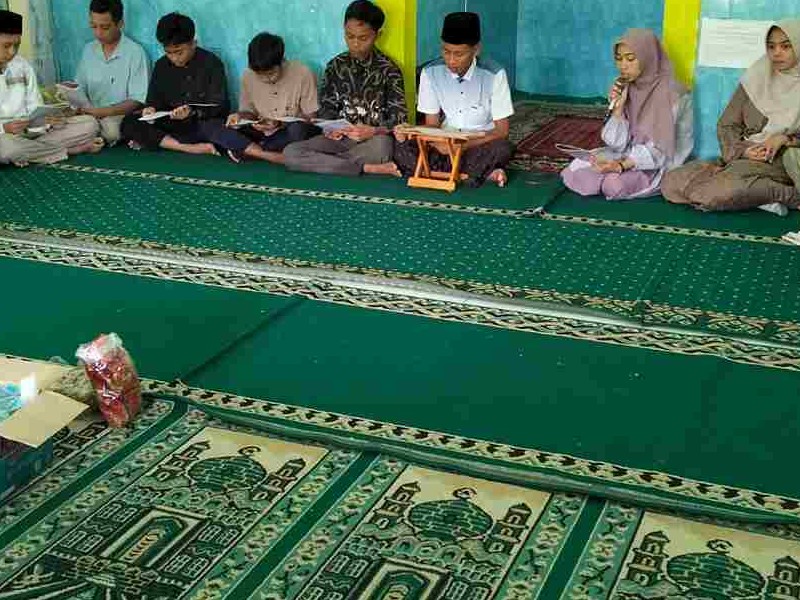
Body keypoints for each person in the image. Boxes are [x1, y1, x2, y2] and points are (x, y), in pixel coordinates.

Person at [662, 20, 800, 216]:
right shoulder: (757, 77)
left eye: (786, 46)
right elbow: (728, 123)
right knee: (671, 181)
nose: (776, 53)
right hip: (744, 155)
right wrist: (743, 151)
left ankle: (785, 194)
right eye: (771, 46)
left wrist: (784, 139)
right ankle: (755, 194)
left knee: (711, 194)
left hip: (781, 161)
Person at [561, 29, 693, 200]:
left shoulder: (673, 94)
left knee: (613, 185)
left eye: (630, 59)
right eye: (619, 59)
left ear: (648, 58)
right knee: (575, 169)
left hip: (658, 162)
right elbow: (616, 144)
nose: (623, 66)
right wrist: (618, 109)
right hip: (627, 154)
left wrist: (620, 166)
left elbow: (659, 151)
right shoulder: (628, 86)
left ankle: (619, 178)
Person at [283, 0, 407, 177]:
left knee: (383, 147)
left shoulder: (389, 70)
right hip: (339, 140)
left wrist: (372, 130)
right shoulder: (335, 66)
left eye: (363, 38)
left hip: (372, 140)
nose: (355, 43)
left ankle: (328, 163)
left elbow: (399, 120)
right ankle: (366, 168)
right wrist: (330, 128)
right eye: (350, 36)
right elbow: (326, 109)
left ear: (378, 35)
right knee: (291, 152)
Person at [393, 12, 515, 187]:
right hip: (443, 142)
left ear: (476, 50)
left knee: (502, 148)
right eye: (446, 52)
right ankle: (476, 172)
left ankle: (444, 170)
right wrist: (411, 132)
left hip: (478, 143)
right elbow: (432, 125)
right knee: (401, 146)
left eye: (459, 54)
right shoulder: (430, 72)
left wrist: (463, 145)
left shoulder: (495, 74)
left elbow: (501, 131)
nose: (451, 61)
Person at [120, 12, 230, 156]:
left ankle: (160, 142)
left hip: (199, 124)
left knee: (219, 129)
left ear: (193, 43)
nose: (174, 58)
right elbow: (154, 101)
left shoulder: (211, 63)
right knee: (129, 122)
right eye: (169, 53)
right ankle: (187, 148)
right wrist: (150, 110)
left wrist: (192, 112)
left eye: (179, 52)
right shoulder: (161, 66)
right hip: (171, 124)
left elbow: (220, 107)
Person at [0, 9, 101, 166]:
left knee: (89, 124)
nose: (12, 52)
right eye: (6, 46)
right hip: (4, 137)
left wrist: (47, 121)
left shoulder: (22, 66)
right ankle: (69, 150)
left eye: (17, 45)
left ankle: (30, 153)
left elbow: (35, 107)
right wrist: (4, 128)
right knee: (7, 148)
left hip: (29, 134)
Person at [222, 32, 320, 164]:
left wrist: (279, 123)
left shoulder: (303, 73)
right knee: (226, 128)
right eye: (259, 75)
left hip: (287, 131)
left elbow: (311, 118)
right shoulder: (247, 75)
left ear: (282, 61)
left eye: (271, 73)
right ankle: (272, 153)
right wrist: (239, 117)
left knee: (298, 131)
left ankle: (251, 151)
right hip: (261, 132)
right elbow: (248, 112)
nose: (266, 79)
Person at [70, 0, 148, 145]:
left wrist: (103, 112)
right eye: (94, 26)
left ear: (120, 24)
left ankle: (89, 137)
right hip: (89, 114)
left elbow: (137, 100)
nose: (98, 33)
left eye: (105, 27)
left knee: (113, 130)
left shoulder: (135, 53)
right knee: (58, 121)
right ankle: (90, 136)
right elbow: (78, 87)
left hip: (117, 116)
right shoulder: (88, 50)